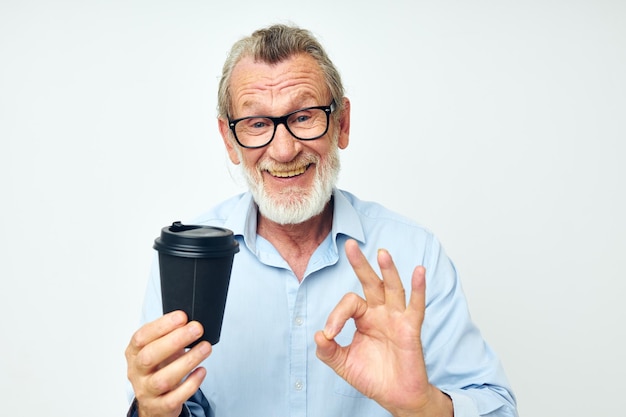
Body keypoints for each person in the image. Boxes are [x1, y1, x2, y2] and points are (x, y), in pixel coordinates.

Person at [125, 24, 518, 417]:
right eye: (257, 124)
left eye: (305, 116)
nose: (283, 149)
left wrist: (425, 407)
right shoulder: (186, 261)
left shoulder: (415, 254)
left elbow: (498, 408)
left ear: (342, 124)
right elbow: (166, 401)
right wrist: (152, 410)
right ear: (229, 140)